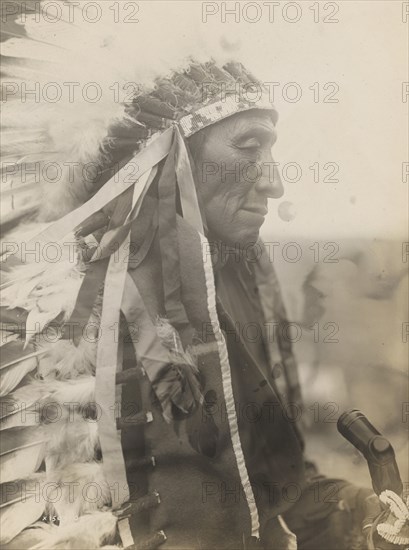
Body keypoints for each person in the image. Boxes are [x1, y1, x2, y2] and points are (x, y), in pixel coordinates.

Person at [0, 12, 407, 550]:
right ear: (172, 163)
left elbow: (278, 497)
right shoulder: (44, 327)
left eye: (273, 149)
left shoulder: (233, 300)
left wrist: (357, 513)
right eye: (248, 148)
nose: (276, 182)